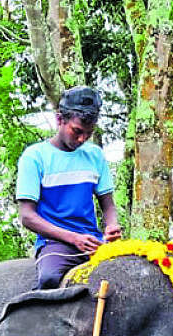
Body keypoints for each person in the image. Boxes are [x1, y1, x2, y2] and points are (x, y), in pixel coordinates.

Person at [16, 85, 122, 290]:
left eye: (88, 134)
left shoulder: (95, 155)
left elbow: (108, 205)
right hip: (56, 245)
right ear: (59, 120)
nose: (82, 139)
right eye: (77, 131)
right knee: (49, 279)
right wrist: (73, 238)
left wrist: (111, 227)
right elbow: (26, 216)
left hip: (94, 243)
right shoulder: (35, 157)